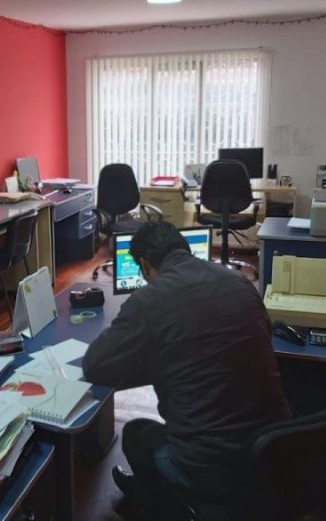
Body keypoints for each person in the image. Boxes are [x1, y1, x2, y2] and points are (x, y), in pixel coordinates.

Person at [82, 221, 289, 517]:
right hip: (273, 449)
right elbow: (262, 334)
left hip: (212, 466)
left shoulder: (149, 300)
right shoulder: (240, 282)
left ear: (145, 265)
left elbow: (95, 366)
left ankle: (171, 503)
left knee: (136, 435)